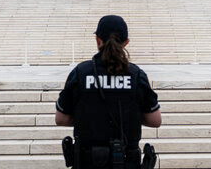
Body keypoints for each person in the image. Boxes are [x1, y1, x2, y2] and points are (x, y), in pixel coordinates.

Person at [55, 15, 161, 168]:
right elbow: (155, 120)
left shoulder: (80, 73)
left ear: (98, 40)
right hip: (126, 162)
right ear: (126, 43)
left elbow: (61, 119)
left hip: (88, 162)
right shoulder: (137, 75)